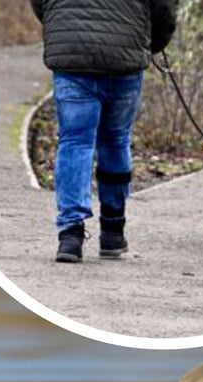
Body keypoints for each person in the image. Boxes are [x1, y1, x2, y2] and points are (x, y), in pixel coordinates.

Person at [30, 0, 178, 263]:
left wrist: (64, 28)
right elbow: (163, 8)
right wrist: (148, 42)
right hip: (125, 54)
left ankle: (70, 236)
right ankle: (112, 231)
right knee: (115, 140)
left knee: (74, 142)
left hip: (71, 53)